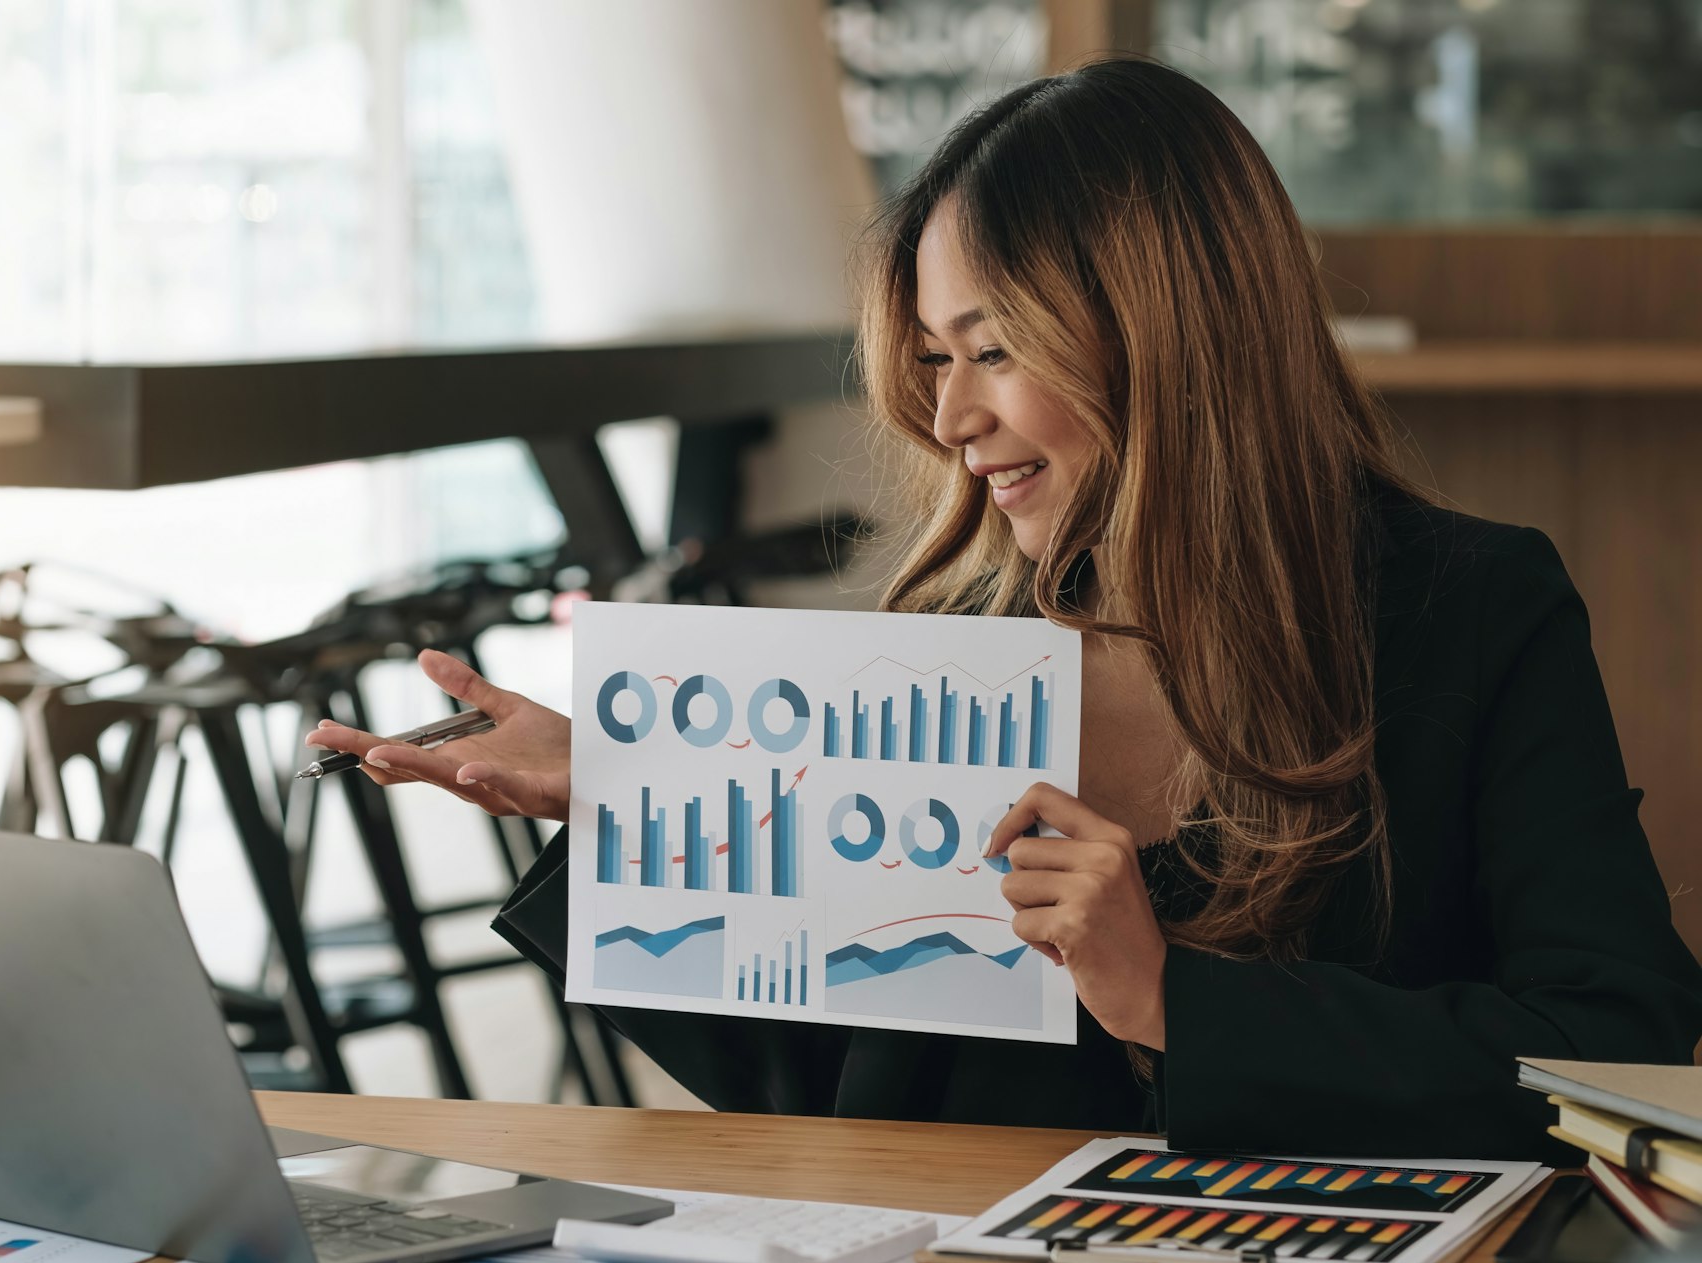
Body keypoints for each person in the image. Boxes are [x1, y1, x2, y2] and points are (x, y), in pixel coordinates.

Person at [307, 58, 1702, 1160]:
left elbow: (1620, 1052)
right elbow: (818, 1095)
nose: (950, 416)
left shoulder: (1471, 613)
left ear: (1168, 331)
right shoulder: (950, 665)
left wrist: (1170, 1000)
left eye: (995, 349)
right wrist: (646, 821)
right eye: (930, 358)